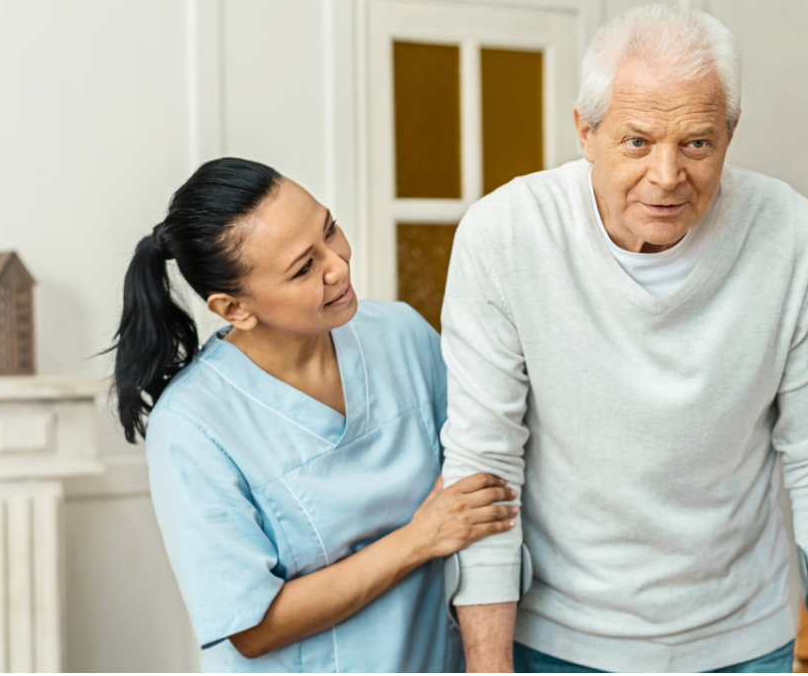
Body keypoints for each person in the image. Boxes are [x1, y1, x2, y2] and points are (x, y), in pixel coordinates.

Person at [440, 4, 808, 673]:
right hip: (558, 641)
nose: (668, 176)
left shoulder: (795, 239)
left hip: (743, 638)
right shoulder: (505, 235)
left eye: (697, 143)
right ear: (585, 132)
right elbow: (486, 468)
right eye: (638, 142)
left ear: (731, 134)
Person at [113, 157, 511, 672]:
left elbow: (484, 470)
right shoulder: (192, 425)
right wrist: (419, 539)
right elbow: (252, 628)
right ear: (234, 309)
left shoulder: (402, 336)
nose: (338, 265)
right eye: (304, 267)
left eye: (330, 229)